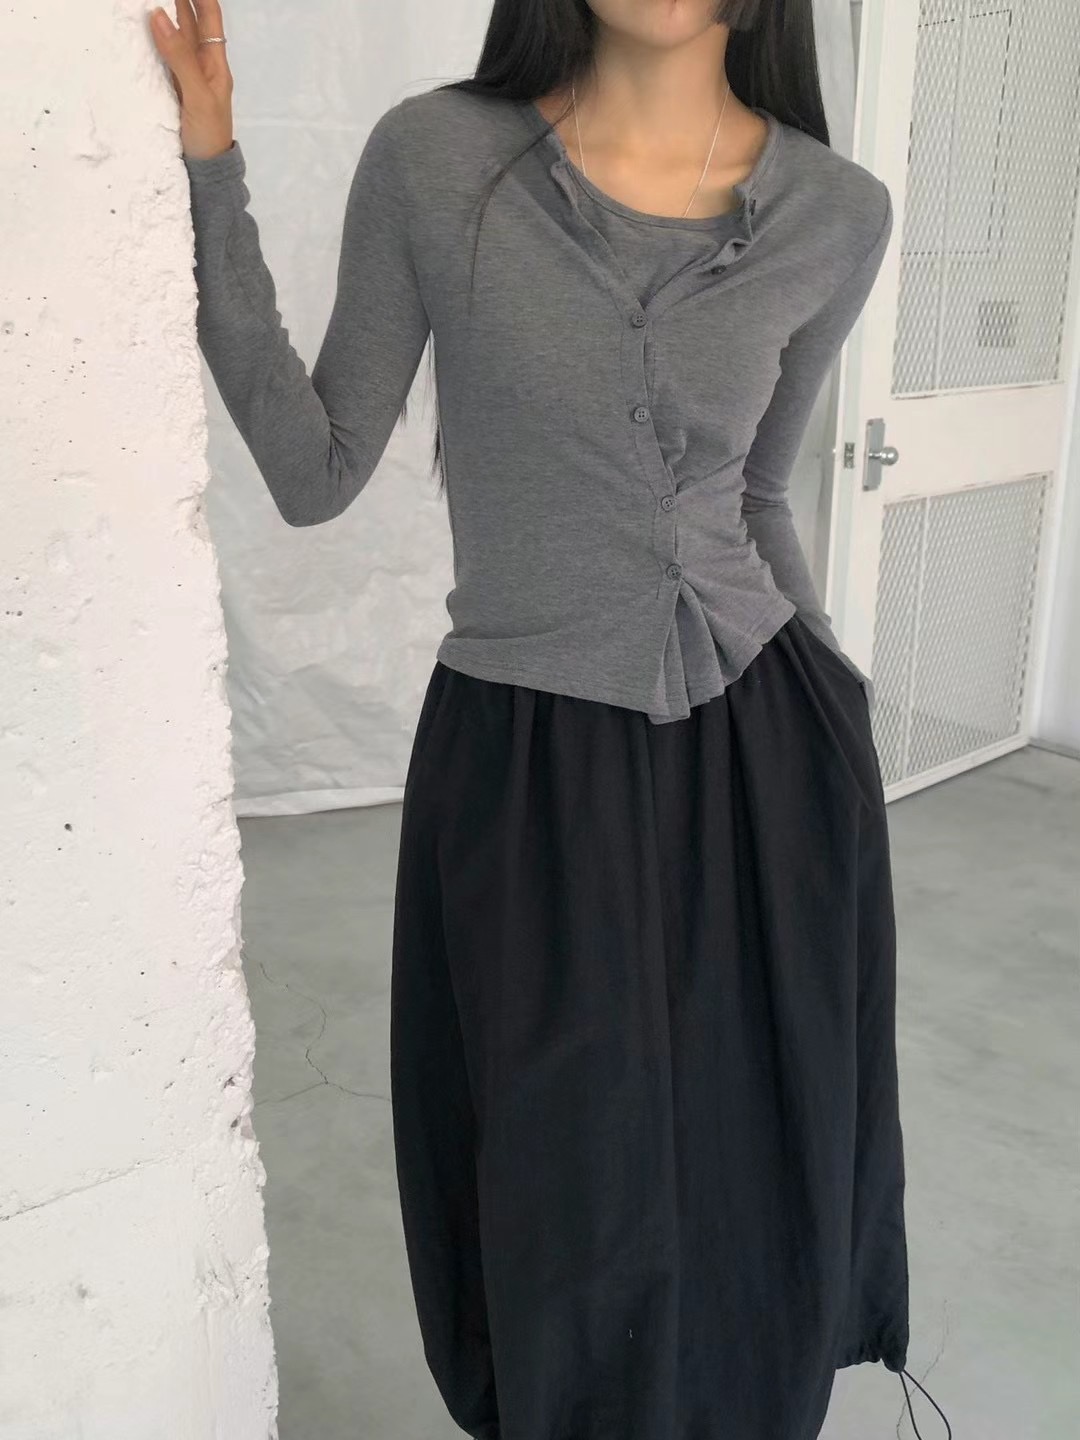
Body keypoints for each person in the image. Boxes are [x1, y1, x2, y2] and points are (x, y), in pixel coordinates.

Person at [151, 2, 952, 1437]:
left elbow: (757, 495)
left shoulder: (837, 212)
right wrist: (215, 167)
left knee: (756, 1161)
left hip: (767, 752)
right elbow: (316, 469)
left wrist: (830, 700)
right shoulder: (437, 161)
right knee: (561, 1182)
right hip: (527, 758)